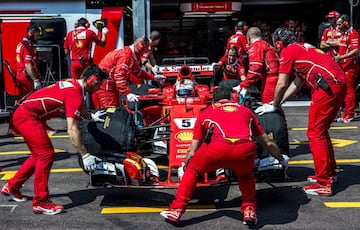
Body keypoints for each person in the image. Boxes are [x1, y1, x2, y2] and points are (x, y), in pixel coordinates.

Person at [160, 86, 287, 226]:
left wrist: (185, 165)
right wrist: (281, 159)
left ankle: (177, 209)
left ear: (213, 100)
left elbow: (192, 149)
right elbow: (267, 142)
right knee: (245, 174)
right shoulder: (246, 111)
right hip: (244, 150)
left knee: (193, 170)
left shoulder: (206, 112)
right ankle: (249, 209)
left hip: (217, 150)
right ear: (233, 98)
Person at [0, 64, 109, 215]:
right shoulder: (75, 94)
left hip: (24, 114)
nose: (100, 88)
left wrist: (91, 117)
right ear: (93, 81)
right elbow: (72, 129)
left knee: (38, 155)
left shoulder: (73, 84)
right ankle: (40, 202)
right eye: (100, 84)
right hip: (27, 117)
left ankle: (12, 187)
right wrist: (85, 155)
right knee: (46, 154)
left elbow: (78, 107)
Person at [255, 28, 346, 196]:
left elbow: (282, 83)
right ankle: (330, 173)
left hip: (326, 86)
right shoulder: (303, 47)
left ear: (279, 43)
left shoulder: (288, 51)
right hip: (336, 82)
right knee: (321, 131)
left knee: (315, 133)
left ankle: (324, 182)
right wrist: (278, 102)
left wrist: (273, 105)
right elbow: (298, 82)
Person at [92, 36, 166, 109]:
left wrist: (154, 77)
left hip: (110, 84)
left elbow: (138, 72)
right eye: (144, 51)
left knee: (116, 109)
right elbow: (119, 77)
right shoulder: (126, 56)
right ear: (140, 47)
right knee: (111, 111)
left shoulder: (130, 54)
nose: (143, 55)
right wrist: (128, 94)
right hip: (105, 85)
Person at [233, 27, 279, 104]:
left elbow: (256, 68)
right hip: (275, 78)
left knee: (267, 107)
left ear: (248, 38)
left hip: (270, 80)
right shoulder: (267, 45)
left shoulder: (256, 46)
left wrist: (243, 85)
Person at [334, 14, 359, 123]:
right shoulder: (344, 34)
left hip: (350, 66)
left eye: (340, 24)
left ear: (346, 23)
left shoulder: (353, 34)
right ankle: (345, 113)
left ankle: (349, 114)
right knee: (343, 90)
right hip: (342, 66)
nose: (338, 27)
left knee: (349, 90)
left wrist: (341, 57)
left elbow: (356, 50)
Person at [16, 25, 42, 99]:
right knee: (32, 100)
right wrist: (35, 80)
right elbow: (28, 65)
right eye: (37, 35)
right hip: (27, 78)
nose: (38, 38)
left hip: (21, 76)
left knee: (22, 100)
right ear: (31, 33)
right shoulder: (27, 46)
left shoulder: (21, 44)